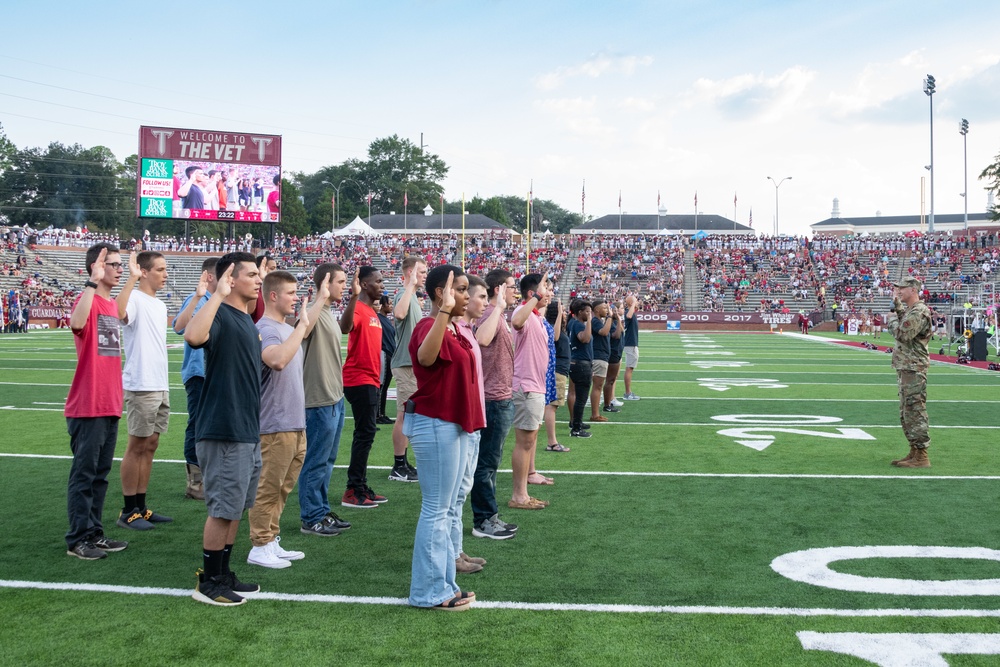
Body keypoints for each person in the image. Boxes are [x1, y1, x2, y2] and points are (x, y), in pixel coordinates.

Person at [184, 252, 264, 606]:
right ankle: (209, 581)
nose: (259, 280)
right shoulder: (220, 313)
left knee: (236, 508)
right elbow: (192, 336)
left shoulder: (245, 318)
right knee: (222, 509)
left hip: (246, 429)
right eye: (251, 274)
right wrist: (216, 293)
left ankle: (224, 572)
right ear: (230, 278)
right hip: (224, 428)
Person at [404, 265, 482, 611]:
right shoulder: (428, 325)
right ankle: (428, 591)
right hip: (436, 423)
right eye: (461, 289)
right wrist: (445, 312)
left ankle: (444, 584)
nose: (466, 295)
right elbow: (425, 357)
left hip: (452, 424)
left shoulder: (454, 328)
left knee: (447, 509)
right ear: (441, 293)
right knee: (436, 510)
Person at [64, 243, 129, 560]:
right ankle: (77, 539)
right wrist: (91, 280)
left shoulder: (110, 305)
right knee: (84, 476)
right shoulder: (88, 299)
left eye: (119, 265)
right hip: (88, 405)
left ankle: (94, 533)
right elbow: (76, 324)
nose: (119, 269)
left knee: (100, 477)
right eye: (114, 264)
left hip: (109, 403)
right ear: (97, 267)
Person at [247, 271, 312, 569]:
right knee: (268, 486)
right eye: (291, 293)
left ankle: (271, 538)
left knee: (283, 487)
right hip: (274, 424)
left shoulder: (285, 328)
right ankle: (259, 544)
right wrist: (301, 328)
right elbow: (276, 360)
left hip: (293, 422)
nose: (295, 298)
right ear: (273, 296)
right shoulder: (267, 329)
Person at [115, 250, 172, 531]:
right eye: (160, 269)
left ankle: (141, 506)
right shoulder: (135, 297)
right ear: (145, 272)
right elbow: (119, 312)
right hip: (141, 383)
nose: (165, 274)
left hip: (160, 382)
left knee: (151, 446)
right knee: (136, 446)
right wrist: (131, 279)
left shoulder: (159, 305)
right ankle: (128, 511)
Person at [298, 263, 352, 537]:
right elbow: (302, 331)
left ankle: (321, 509)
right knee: (315, 461)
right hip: (318, 399)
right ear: (326, 283)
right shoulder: (315, 311)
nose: (345, 286)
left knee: (327, 460)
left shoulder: (329, 312)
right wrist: (319, 297)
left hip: (334, 396)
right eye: (340, 281)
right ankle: (310, 517)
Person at [470, 269, 518, 539]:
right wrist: (498, 308)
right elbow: (482, 340)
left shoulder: (497, 314)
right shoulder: (491, 314)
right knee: (486, 463)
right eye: (512, 287)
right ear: (499, 289)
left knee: (490, 462)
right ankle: (484, 520)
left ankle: (490, 516)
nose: (515, 292)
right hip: (492, 398)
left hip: (500, 396)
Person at [172, 257, 219, 501]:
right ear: (210, 276)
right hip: (199, 372)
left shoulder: (218, 300)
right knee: (198, 425)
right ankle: (195, 481)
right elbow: (179, 328)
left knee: (208, 425)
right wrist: (198, 297)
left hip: (213, 373)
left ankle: (207, 476)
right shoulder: (199, 300)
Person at [341, 266, 387, 508]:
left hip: (371, 379)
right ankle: (353, 489)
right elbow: (345, 327)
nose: (382, 285)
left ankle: (359, 485)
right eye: (378, 281)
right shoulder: (359, 307)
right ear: (365, 285)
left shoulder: (371, 311)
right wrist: (353, 296)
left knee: (366, 433)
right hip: (359, 379)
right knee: (364, 433)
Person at [455, 276, 491, 573]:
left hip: (473, 419)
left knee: (461, 491)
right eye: (480, 296)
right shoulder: (456, 330)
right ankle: (452, 554)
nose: (481, 302)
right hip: (460, 422)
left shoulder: (467, 329)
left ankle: (457, 550)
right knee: (453, 495)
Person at [508, 273, 551, 510]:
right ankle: (518, 495)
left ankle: (523, 491)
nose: (549, 293)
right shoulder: (522, 312)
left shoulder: (535, 316)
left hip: (535, 386)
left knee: (530, 440)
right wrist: (536, 295)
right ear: (531, 293)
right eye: (546, 288)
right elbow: (516, 321)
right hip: (526, 386)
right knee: (524, 442)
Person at [888, 277, 933, 468]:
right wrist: (898, 308)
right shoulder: (911, 310)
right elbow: (905, 323)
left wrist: (890, 320)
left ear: (913, 290)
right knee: (907, 410)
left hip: (914, 367)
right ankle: (914, 450)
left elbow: (903, 333)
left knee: (915, 409)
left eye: (902, 288)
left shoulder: (920, 311)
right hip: (907, 366)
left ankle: (922, 455)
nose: (898, 291)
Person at [389, 256, 427, 482]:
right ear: (411, 272)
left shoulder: (412, 297)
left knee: (411, 416)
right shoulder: (402, 296)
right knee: (404, 416)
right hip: (405, 364)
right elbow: (399, 314)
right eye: (421, 272)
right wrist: (411, 284)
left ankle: (404, 462)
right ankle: (398, 466)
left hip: (413, 365)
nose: (424, 275)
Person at [542, 300, 570, 452]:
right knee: (551, 406)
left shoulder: (557, 325)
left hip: (561, 369)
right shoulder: (551, 327)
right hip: (556, 370)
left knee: (553, 406)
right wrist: (559, 314)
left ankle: (552, 441)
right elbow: (555, 337)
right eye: (562, 310)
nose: (564, 313)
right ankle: (552, 442)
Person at [566, 299, 594, 438]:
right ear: (579, 312)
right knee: (581, 398)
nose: (590, 314)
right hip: (581, 364)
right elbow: (585, 339)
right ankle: (576, 429)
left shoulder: (573, 323)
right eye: (587, 312)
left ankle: (577, 423)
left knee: (579, 397)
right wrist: (588, 321)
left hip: (578, 363)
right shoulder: (577, 324)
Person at [589, 299, 614, 423]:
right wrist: (610, 316)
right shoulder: (595, 321)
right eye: (604, 308)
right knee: (597, 386)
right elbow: (604, 332)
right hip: (598, 357)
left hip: (601, 356)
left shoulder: (598, 321)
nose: (607, 310)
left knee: (597, 386)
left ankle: (596, 413)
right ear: (597, 310)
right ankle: (595, 414)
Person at [376, 295, 396, 425]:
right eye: (389, 303)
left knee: (385, 386)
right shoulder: (378, 318)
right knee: (381, 386)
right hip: (384, 354)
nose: (391, 305)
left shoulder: (386, 320)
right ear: (382, 305)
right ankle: (377, 415)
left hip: (389, 354)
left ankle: (382, 413)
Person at [603, 301, 624, 412]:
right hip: (612, 354)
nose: (616, 312)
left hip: (616, 353)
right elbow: (616, 335)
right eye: (614, 310)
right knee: (610, 380)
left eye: (617, 310)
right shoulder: (611, 322)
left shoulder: (614, 322)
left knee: (611, 379)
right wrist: (619, 320)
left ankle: (609, 401)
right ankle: (608, 403)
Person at [621, 294, 640, 400]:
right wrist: (632, 304)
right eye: (635, 301)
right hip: (630, 344)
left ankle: (628, 393)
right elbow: (628, 316)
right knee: (629, 368)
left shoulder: (631, 313)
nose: (637, 303)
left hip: (631, 344)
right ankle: (628, 393)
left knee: (630, 368)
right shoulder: (629, 313)